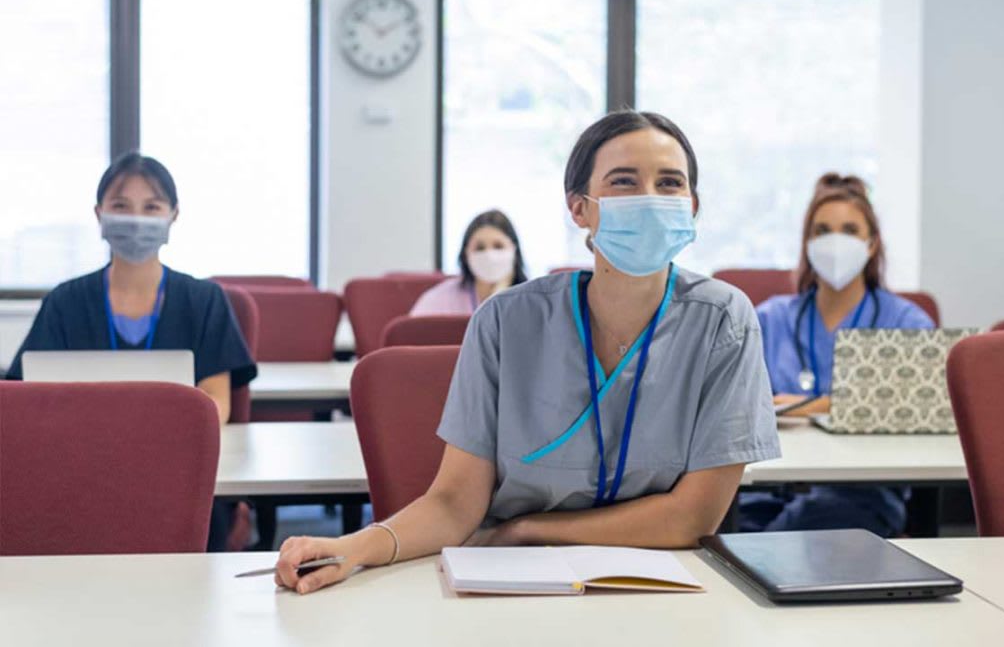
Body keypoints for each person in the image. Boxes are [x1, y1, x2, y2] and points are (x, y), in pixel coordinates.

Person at [274, 110, 781, 595]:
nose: (649, 198)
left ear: (692, 207)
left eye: (670, 183)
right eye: (624, 182)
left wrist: (528, 531)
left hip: (661, 581)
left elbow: (692, 517)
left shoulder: (723, 319)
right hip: (511, 579)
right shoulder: (504, 322)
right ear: (579, 208)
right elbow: (454, 503)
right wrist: (354, 547)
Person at [6, 151, 258, 550]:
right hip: (78, 471)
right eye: (121, 206)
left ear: (173, 215)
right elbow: (26, 401)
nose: (136, 218)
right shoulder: (66, 301)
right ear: (99, 214)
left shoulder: (205, 299)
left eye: (151, 206)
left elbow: (216, 404)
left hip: (177, 469)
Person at [739, 173, 934, 537]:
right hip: (769, 484)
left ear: (872, 244)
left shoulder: (907, 322)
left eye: (849, 230)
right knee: (728, 525)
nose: (835, 242)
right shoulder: (769, 317)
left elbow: (908, 410)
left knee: (799, 530)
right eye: (823, 231)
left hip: (861, 492)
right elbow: (737, 403)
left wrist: (807, 406)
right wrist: (832, 404)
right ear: (808, 243)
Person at [409, 210, 528, 316]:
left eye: (498, 246)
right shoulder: (438, 299)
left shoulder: (531, 300)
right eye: (480, 248)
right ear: (466, 254)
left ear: (514, 250)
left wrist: (500, 292)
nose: (490, 255)